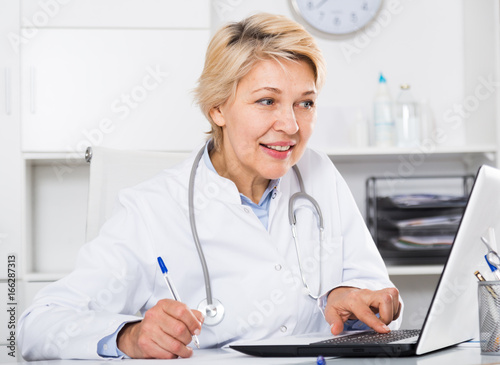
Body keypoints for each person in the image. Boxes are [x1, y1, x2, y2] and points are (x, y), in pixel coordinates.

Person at [18, 13, 402, 360]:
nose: (291, 125)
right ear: (217, 107)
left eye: (305, 103)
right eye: (267, 101)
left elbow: (377, 300)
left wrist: (358, 303)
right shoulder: (152, 209)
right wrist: (128, 337)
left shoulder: (318, 174)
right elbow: (38, 325)